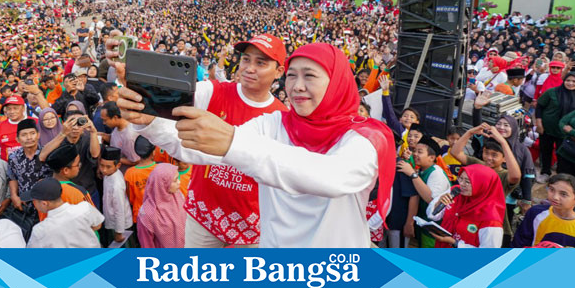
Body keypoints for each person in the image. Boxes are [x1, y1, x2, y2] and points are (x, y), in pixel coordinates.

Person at [120, 43, 395, 248]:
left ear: (337, 82)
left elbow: (331, 177)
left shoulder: (367, 137)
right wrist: (151, 122)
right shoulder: (274, 123)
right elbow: (200, 148)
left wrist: (232, 141)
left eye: (309, 76)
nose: (297, 86)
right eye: (292, 76)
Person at [112, 32, 289, 248]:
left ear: (279, 71)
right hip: (203, 216)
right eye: (245, 59)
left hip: (251, 224)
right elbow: (176, 130)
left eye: (260, 63)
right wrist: (147, 115)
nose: (249, 68)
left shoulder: (282, 118)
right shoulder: (212, 91)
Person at [451, 123, 520, 245]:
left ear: (504, 158)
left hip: (496, 227)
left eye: (494, 155)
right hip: (472, 221)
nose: (488, 158)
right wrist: (470, 132)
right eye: (486, 153)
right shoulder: (478, 165)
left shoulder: (504, 175)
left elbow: (515, 176)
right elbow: (455, 153)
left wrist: (503, 142)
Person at [426, 165, 505, 248]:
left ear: (483, 185)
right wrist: (438, 203)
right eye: (461, 178)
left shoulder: (491, 220)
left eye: (467, 181)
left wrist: (455, 243)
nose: (462, 184)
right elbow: (432, 215)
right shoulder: (455, 192)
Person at [512, 174, 575, 248]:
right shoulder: (535, 212)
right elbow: (519, 242)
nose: (555, 197)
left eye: (563, 194)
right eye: (552, 190)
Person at [396, 135, 451, 248]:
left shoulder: (436, 173)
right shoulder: (422, 170)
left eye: (420, 152)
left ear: (431, 157)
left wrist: (412, 174)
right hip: (422, 224)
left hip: (433, 230)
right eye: (415, 151)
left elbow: (432, 200)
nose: (415, 154)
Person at [536, 72, 575, 183]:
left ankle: (559, 177)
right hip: (547, 129)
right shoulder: (552, 92)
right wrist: (539, 123)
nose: (570, 83)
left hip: (568, 133)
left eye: (574, 81)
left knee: (563, 155)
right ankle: (545, 172)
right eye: (568, 80)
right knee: (545, 151)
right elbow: (540, 106)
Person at [39, 109, 101, 206]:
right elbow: (42, 157)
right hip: (64, 194)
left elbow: (95, 154)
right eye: (72, 122)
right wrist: (63, 133)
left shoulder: (88, 139)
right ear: (65, 124)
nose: (76, 127)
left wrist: (93, 132)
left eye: (79, 123)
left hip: (87, 190)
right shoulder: (58, 140)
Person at [25, 178, 104, 248]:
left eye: (34, 201)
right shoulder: (85, 208)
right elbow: (98, 225)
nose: (33, 204)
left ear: (44, 203)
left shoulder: (40, 231)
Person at [137, 163, 185, 248]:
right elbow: (147, 246)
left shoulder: (178, 196)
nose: (179, 182)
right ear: (163, 184)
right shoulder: (147, 215)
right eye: (175, 180)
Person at [98, 147, 133, 245]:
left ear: (118, 165)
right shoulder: (109, 174)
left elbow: (119, 210)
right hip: (113, 222)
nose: (104, 170)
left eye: (108, 167)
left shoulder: (116, 185)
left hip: (120, 227)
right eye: (101, 165)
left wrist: (119, 232)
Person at [0, 95, 35, 161]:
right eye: (9, 109)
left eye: (15, 108)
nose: (12, 112)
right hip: (8, 167)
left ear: (23, 108)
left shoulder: (35, 122)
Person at [124, 136, 157, 223]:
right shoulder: (160, 168)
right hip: (159, 214)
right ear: (153, 152)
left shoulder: (130, 173)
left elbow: (130, 197)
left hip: (140, 213)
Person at [101, 101, 140, 172]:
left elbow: (135, 161)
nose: (104, 123)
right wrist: (103, 135)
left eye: (105, 120)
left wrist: (114, 158)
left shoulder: (129, 136)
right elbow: (117, 140)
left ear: (115, 118)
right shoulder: (118, 127)